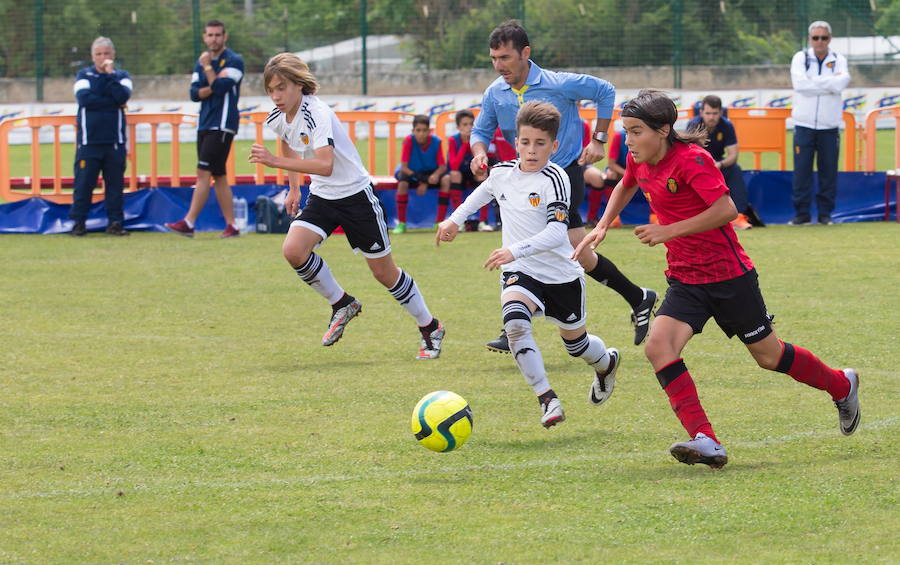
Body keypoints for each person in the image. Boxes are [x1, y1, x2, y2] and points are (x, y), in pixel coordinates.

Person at [574, 89, 860, 469]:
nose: (629, 140)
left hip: (729, 277)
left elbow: (727, 209)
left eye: (636, 131)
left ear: (662, 130)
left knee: (769, 357)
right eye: (626, 131)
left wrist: (668, 230)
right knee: (658, 347)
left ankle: (842, 385)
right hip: (686, 279)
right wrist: (602, 225)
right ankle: (705, 438)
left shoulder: (692, 160)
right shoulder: (638, 157)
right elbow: (627, 183)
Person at [470, 20, 656, 352]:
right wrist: (479, 153)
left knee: (554, 244)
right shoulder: (494, 92)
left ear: (525, 54)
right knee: (570, 250)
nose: (499, 66)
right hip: (521, 178)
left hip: (562, 175)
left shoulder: (557, 83)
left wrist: (598, 139)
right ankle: (638, 296)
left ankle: (518, 318)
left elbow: (605, 91)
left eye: (506, 58)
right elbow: (480, 131)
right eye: (494, 59)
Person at [249, 53, 445, 360]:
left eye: (282, 88)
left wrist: (274, 162)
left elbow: (325, 164)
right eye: (271, 89)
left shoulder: (317, 113)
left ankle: (429, 326)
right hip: (323, 197)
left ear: (299, 85)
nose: (276, 96)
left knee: (384, 273)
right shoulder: (278, 115)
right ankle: (342, 303)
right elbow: (287, 139)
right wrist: (293, 188)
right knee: (293, 250)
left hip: (356, 196)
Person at [437, 101, 620, 427]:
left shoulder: (556, 178)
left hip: (560, 275)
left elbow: (555, 233)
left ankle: (606, 364)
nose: (531, 150)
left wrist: (514, 250)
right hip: (521, 273)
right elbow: (481, 194)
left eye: (540, 143)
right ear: (515, 141)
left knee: (577, 346)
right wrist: (453, 221)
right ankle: (547, 399)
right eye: (525, 142)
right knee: (515, 323)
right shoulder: (502, 173)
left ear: (554, 146)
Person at [166, 19, 244, 238]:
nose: (214, 39)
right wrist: (211, 80)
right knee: (218, 175)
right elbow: (193, 93)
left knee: (203, 172)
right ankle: (232, 226)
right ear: (204, 37)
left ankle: (188, 222)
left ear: (225, 36)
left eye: (218, 35)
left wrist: (209, 69)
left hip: (222, 125)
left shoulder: (234, 61)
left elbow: (220, 88)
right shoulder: (200, 62)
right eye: (210, 35)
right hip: (205, 123)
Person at [69, 37, 132, 237]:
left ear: (113, 55)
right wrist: (112, 102)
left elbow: (122, 96)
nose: (102, 58)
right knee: (83, 184)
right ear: (92, 56)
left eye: (106, 54)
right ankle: (79, 223)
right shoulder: (83, 74)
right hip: (89, 142)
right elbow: (85, 100)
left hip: (115, 142)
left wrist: (110, 75)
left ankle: (115, 223)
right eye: (98, 54)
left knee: (115, 187)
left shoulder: (121, 75)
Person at [789, 20, 850, 226]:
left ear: (830, 39)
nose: (820, 42)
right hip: (804, 125)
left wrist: (813, 82)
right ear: (810, 39)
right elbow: (800, 85)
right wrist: (829, 84)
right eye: (816, 38)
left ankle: (825, 214)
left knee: (828, 172)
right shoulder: (800, 57)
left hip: (829, 126)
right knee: (801, 172)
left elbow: (842, 82)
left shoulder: (839, 58)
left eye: (824, 38)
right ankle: (802, 215)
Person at [686, 95, 764, 229]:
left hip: (718, 164)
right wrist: (706, 165)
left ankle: (739, 217)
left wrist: (719, 165)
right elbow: (689, 153)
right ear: (701, 113)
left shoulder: (727, 125)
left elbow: (733, 155)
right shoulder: (694, 125)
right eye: (708, 113)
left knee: (735, 169)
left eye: (715, 113)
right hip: (698, 164)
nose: (711, 117)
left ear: (721, 113)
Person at [392, 114, 447, 234]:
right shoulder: (408, 141)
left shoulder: (436, 142)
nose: (421, 133)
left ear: (429, 131)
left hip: (429, 172)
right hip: (412, 172)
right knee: (402, 184)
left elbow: (442, 166)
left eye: (424, 130)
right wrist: (424, 181)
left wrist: (435, 176)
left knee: (446, 180)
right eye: (418, 130)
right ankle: (401, 223)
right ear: (413, 131)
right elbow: (404, 167)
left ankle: (439, 222)